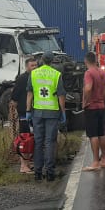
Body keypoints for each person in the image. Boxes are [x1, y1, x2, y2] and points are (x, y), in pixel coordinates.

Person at [26, 51, 66, 181]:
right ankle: (50, 172)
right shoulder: (56, 74)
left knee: (38, 142)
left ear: (41, 60)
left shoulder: (33, 73)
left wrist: (28, 110)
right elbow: (61, 95)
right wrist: (63, 112)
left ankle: (37, 172)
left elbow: (30, 94)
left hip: (37, 111)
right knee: (50, 142)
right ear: (52, 60)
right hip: (52, 112)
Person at [81, 51, 105, 171]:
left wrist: (85, 102)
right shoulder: (102, 72)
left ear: (85, 61)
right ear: (96, 60)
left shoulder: (88, 73)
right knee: (102, 133)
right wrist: (103, 97)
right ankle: (104, 160)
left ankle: (95, 162)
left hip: (91, 107)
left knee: (93, 135)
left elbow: (88, 88)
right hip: (101, 106)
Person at [11, 55, 38, 173]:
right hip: (24, 113)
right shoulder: (22, 79)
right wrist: (14, 109)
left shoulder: (37, 77)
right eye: (32, 65)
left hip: (35, 111)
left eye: (36, 65)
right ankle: (23, 165)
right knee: (25, 138)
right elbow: (14, 96)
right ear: (27, 67)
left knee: (33, 139)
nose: (35, 67)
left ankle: (29, 162)